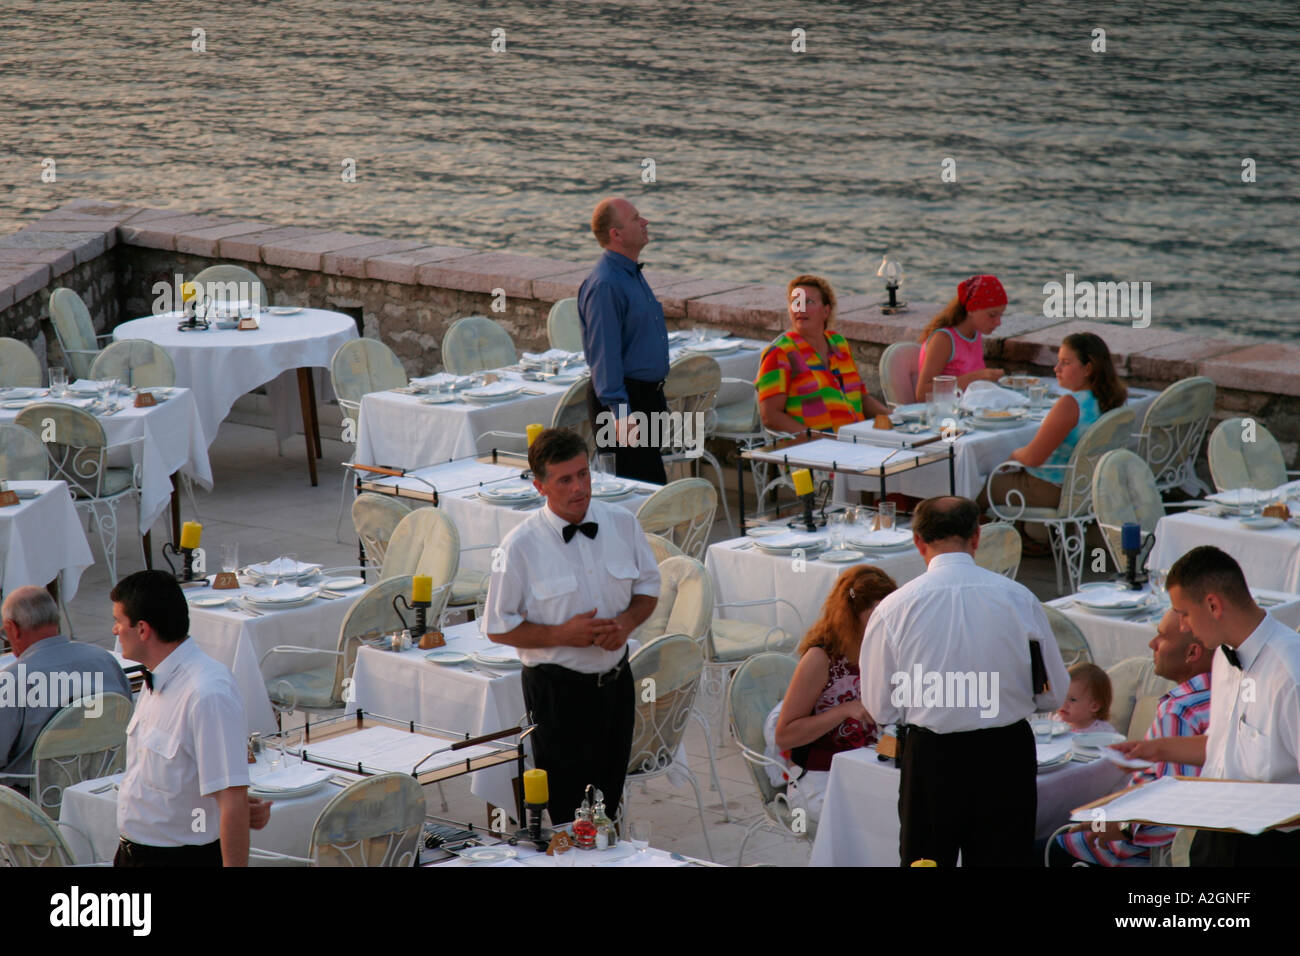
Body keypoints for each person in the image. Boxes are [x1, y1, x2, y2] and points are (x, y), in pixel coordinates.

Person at [860, 496, 1069, 866]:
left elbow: (880, 707)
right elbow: (1054, 694)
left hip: (932, 759)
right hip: (1005, 755)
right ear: (976, 537)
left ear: (918, 541)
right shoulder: (1019, 598)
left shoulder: (894, 608)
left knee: (927, 862)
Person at [483, 427, 660, 824]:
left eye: (584, 474)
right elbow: (497, 626)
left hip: (617, 684)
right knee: (569, 810)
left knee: (608, 800)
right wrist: (560, 635)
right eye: (565, 479)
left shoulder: (622, 522)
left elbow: (649, 586)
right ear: (540, 486)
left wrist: (627, 623)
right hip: (558, 692)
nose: (579, 487)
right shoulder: (518, 547)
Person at [1114, 546, 1300, 866]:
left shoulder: (1290, 673)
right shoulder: (1223, 658)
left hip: (1270, 848)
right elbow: (1223, 746)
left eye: (1183, 613)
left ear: (1213, 604)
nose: (1183, 626)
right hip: (1214, 837)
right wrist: (1154, 750)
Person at [1052, 609, 1212, 866]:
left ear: (1192, 653)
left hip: (1139, 852)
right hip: (1188, 841)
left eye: (1161, 637)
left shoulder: (1181, 711)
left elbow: (1176, 811)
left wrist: (1123, 826)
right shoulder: (1223, 693)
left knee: (1040, 844)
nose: (1152, 644)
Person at [112, 570, 251, 867]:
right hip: (134, 855)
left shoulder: (206, 694)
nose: (114, 630)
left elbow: (232, 798)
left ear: (143, 630)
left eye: (119, 622)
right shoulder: (158, 675)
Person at [765, 566, 896, 820]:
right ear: (850, 618)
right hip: (820, 776)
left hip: (868, 765)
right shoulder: (820, 658)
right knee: (877, 820)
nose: (882, 627)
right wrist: (844, 710)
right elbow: (784, 736)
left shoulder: (880, 649)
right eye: (874, 619)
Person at [0, 586, 131, 796]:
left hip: (36, 805)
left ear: (12, 628)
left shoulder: (13, 680)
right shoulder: (105, 661)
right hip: (102, 790)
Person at [980, 332, 1127, 512]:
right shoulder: (1113, 400)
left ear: (1088, 369)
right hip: (1086, 489)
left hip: (1051, 488)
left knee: (975, 488)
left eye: (1065, 363)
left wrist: (1015, 454)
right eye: (1058, 361)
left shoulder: (1071, 404)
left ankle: (986, 539)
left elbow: (1033, 458)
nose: (1056, 368)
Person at [579, 196, 671, 485]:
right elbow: (605, 356)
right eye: (635, 219)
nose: (645, 222)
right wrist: (621, 414)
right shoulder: (606, 283)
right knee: (639, 495)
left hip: (646, 398)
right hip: (626, 405)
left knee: (651, 488)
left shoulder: (630, 274)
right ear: (616, 234)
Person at [756, 274, 890, 434]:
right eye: (795, 302)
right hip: (813, 451)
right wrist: (818, 439)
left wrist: (895, 418)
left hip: (856, 441)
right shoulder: (780, 354)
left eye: (809, 302)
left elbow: (861, 397)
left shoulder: (838, 343)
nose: (800, 308)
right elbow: (770, 417)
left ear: (826, 311)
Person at [915, 274, 1008, 401]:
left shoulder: (975, 334)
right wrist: (977, 377)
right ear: (971, 309)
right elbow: (922, 394)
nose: (998, 322)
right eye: (992, 315)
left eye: (1001, 315)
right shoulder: (944, 339)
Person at [1057, 662, 1116, 734]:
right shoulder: (1056, 723)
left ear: (1094, 706)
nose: (1063, 703)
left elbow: (1118, 745)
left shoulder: (1104, 733)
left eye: (1073, 700)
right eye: (1062, 696)